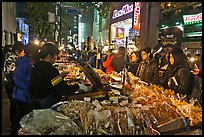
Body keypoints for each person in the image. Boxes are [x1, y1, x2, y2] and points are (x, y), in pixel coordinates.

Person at [29, 42, 88, 110]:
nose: (56, 58)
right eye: (55, 55)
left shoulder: (36, 67)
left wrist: (60, 77)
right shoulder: (50, 70)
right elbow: (62, 89)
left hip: (36, 103)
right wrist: (78, 86)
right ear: (49, 56)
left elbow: (51, 82)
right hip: (48, 104)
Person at [11, 42, 33, 135]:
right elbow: (27, 81)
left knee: (19, 116)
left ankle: (14, 131)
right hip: (24, 95)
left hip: (18, 93)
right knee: (21, 118)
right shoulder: (27, 64)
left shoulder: (21, 62)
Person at [3, 44, 18, 135]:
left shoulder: (8, 57)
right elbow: (13, 73)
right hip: (11, 84)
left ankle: (13, 124)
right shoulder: (13, 58)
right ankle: (13, 126)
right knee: (14, 105)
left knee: (13, 105)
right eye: (22, 51)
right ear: (17, 51)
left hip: (8, 83)